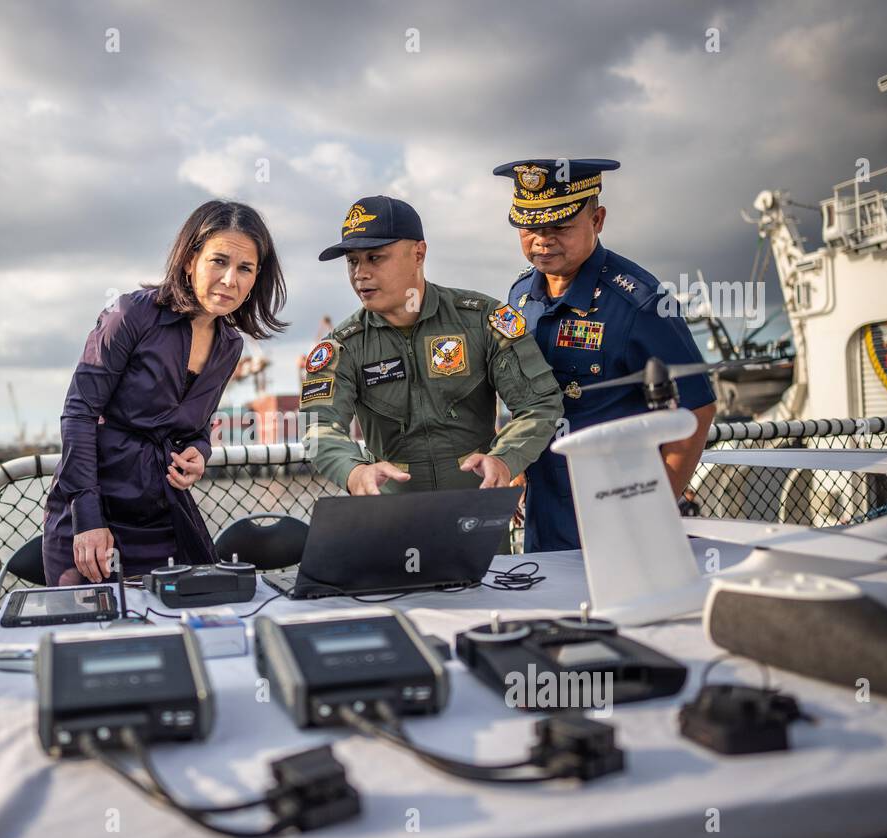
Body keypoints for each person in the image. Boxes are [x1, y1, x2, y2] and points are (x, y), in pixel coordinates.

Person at [42, 201, 287, 585]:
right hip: (93, 513)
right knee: (94, 638)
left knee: (179, 627)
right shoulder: (129, 315)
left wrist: (200, 453)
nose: (229, 280)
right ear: (190, 260)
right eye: (218, 261)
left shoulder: (230, 347)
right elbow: (79, 415)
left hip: (163, 518)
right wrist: (88, 520)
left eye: (245, 268)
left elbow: (198, 427)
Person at [492, 159, 717, 552]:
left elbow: (696, 409)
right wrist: (516, 465)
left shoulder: (640, 304)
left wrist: (652, 508)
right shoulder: (520, 297)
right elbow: (523, 396)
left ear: (597, 220)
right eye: (529, 227)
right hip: (544, 514)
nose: (542, 240)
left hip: (618, 514)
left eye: (559, 226)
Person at [302, 195, 563, 498]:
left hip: (478, 509)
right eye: (352, 261)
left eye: (375, 257)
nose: (360, 273)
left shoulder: (481, 320)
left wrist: (504, 460)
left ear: (418, 253)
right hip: (392, 518)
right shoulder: (343, 347)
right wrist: (354, 472)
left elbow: (540, 403)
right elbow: (318, 427)